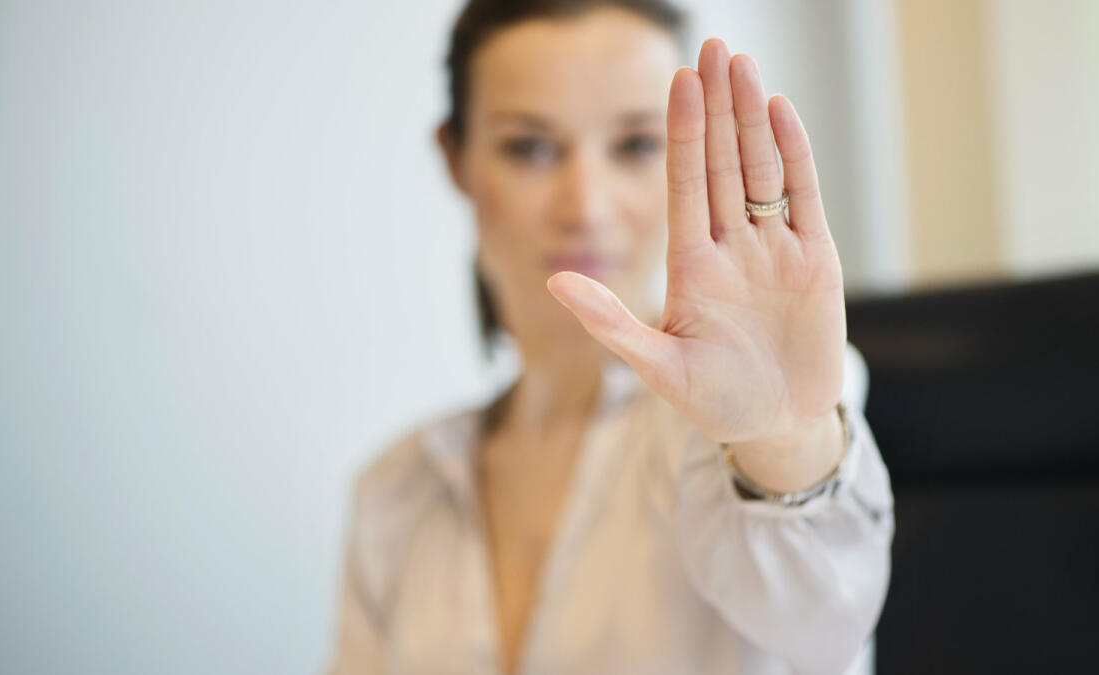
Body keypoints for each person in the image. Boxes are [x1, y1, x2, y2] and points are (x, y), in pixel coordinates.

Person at [328, 1, 894, 673]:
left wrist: (785, 444)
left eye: (634, 145)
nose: (585, 207)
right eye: (529, 148)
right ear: (457, 160)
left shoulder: (737, 432)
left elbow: (825, 622)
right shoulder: (396, 488)